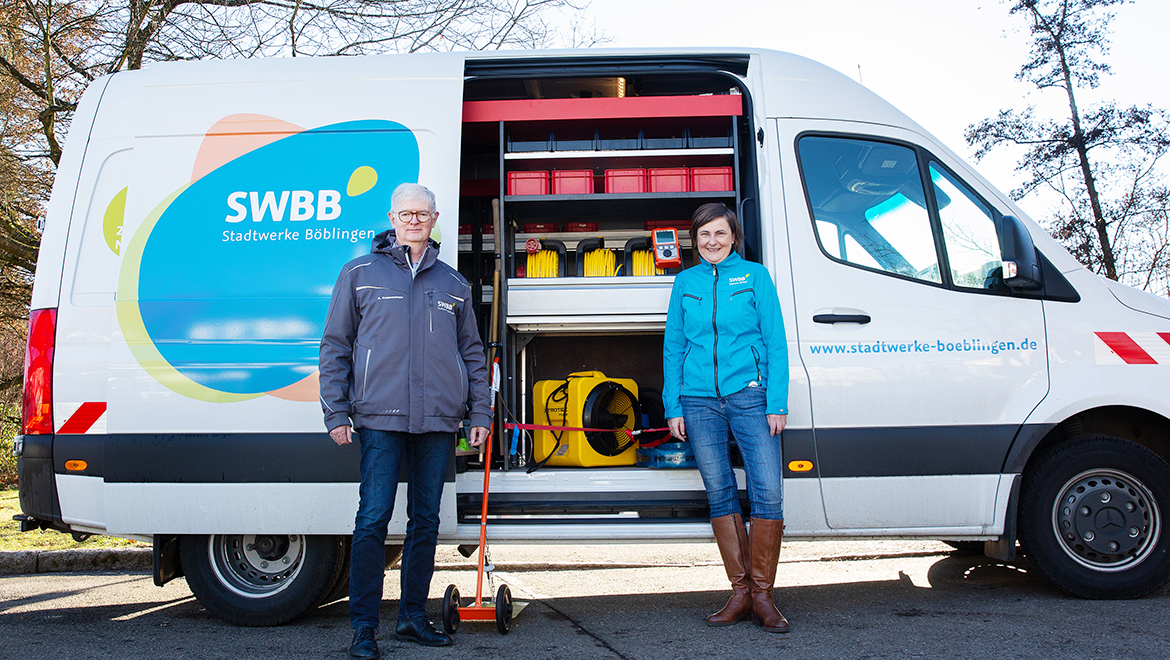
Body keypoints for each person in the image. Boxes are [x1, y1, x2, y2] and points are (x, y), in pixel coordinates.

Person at [319, 182, 491, 658]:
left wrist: (480, 410)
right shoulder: (359, 273)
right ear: (391, 218)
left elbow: (472, 353)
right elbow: (335, 346)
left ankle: (413, 618)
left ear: (434, 219)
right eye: (405, 213)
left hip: (437, 419)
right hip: (379, 417)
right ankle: (363, 627)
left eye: (422, 213)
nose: (413, 220)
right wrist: (336, 409)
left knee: (426, 521)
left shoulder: (453, 284)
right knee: (372, 519)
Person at [662, 202, 790, 633]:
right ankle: (740, 595)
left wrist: (777, 401)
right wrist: (673, 405)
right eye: (703, 235)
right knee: (720, 494)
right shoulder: (685, 282)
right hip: (698, 401)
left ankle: (763, 596)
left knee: (768, 491)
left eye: (719, 234)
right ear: (694, 241)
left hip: (750, 398)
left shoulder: (755, 276)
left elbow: (775, 341)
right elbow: (674, 346)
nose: (712, 242)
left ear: (733, 236)